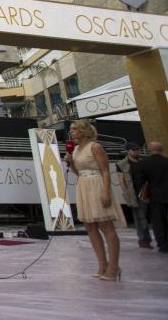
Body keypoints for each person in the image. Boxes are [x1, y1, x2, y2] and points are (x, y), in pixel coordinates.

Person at [65, 120, 126, 281]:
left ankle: (114, 266)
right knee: (90, 227)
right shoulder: (76, 149)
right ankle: (102, 264)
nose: (72, 131)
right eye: (71, 129)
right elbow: (78, 172)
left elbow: (105, 171)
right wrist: (70, 163)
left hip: (97, 185)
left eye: (75, 129)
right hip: (83, 185)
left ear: (84, 130)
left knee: (106, 226)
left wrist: (106, 192)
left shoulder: (95, 147)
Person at [116, 142, 151, 248]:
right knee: (140, 217)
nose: (136, 151)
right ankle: (144, 240)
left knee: (144, 216)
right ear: (128, 151)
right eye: (133, 150)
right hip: (134, 193)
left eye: (137, 149)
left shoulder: (143, 162)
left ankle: (145, 239)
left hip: (145, 191)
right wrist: (126, 193)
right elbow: (121, 180)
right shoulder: (122, 164)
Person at [136, 141, 168, 254]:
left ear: (149, 150)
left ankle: (163, 245)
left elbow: (140, 182)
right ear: (161, 150)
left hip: (155, 197)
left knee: (158, 221)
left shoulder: (144, 164)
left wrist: (145, 196)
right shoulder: (167, 162)